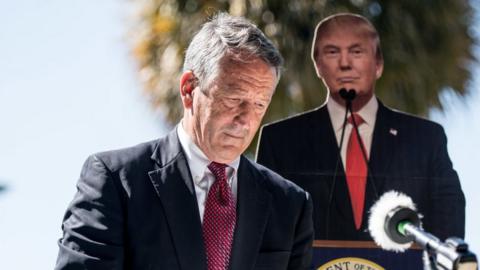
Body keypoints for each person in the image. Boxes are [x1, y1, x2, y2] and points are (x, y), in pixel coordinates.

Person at [55, 13, 313, 270]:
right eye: (234, 99)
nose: (245, 120)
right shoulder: (115, 180)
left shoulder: (290, 205)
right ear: (189, 88)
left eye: (259, 105)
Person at [256, 13, 465, 241]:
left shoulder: (425, 138)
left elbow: (448, 229)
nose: (345, 64)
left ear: (378, 64)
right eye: (332, 52)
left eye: (357, 52)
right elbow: (264, 233)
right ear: (318, 65)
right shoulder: (280, 141)